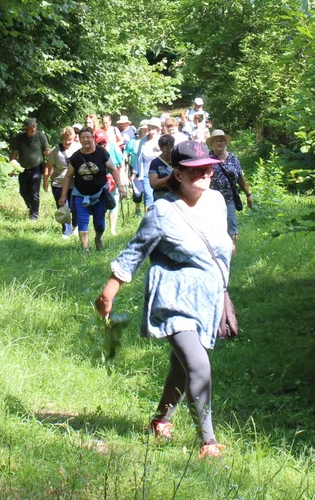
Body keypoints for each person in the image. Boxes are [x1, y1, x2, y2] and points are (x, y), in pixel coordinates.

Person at [95, 141, 233, 460]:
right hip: (173, 299)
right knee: (199, 366)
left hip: (208, 301)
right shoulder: (162, 211)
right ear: (179, 174)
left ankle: (160, 420)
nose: (206, 173)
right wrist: (108, 293)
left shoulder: (215, 201)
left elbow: (222, 244)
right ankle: (208, 442)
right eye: (197, 170)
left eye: (208, 167)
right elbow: (134, 253)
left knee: (181, 368)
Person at [59, 126, 122, 251]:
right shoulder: (75, 157)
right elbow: (68, 177)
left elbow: (113, 169)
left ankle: (98, 238)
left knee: (99, 224)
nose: (86, 140)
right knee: (82, 221)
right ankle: (85, 250)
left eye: (88, 137)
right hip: (80, 194)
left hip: (99, 194)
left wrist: (120, 186)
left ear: (93, 138)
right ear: (79, 139)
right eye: (83, 137)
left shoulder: (101, 153)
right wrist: (63, 196)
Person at [207, 129, 253, 251]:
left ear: (225, 142)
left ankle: (231, 250)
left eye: (221, 140)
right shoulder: (207, 158)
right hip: (211, 199)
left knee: (231, 224)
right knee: (214, 225)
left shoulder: (233, 157)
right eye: (216, 141)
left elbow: (240, 177)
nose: (219, 143)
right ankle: (215, 250)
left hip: (229, 198)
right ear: (211, 144)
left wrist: (248, 194)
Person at [10, 117, 49, 220]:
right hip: (23, 169)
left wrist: (52, 163)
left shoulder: (40, 136)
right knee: (23, 191)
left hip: (37, 168)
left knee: (34, 193)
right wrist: (11, 167)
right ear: (25, 128)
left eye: (34, 127)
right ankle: (31, 206)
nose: (33, 130)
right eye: (30, 128)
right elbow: (15, 153)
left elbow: (46, 151)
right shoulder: (20, 138)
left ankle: (34, 215)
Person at [44, 127, 80, 237]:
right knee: (64, 207)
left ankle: (76, 226)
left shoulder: (78, 148)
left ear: (74, 138)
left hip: (75, 184)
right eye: (65, 140)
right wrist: (45, 181)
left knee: (75, 207)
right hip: (58, 183)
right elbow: (48, 166)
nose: (67, 142)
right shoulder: (56, 151)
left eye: (70, 139)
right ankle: (66, 231)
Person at [96, 129, 125, 236]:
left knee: (114, 202)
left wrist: (121, 180)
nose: (102, 144)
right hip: (100, 181)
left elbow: (121, 164)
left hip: (113, 179)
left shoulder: (114, 147)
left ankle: (112, 229)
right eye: (99, 143)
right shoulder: (94, 151)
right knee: (101, 205)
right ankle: (101, 228)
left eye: (104, 142)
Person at [135, 118, 162, 209]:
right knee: (149, 196)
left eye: (153, 127)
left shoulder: (161, 140)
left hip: (160, 173)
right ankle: (148, 219)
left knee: (159, 197)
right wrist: (135, 172)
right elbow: (139, 157)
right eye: (149, 126)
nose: (150, 128)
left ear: (158, 129)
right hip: (146, 173)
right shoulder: (143, 141)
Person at [148, 134, 175, 201]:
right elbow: (153, 184)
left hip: (176, 198)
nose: (170, 150)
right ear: (161, 148)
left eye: (172, 147)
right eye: (167, 148)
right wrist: (170, 178)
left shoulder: (177, 161)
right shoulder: (155, 163)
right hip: (161, 199)